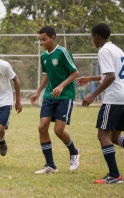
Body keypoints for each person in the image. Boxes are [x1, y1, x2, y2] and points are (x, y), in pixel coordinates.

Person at [77, 23, 124, 184]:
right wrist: (90, 78)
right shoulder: (117, 50)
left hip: (114, 98)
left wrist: (92, 96)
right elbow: (112, 74)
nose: (92, 40)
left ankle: (114, 175)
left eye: (92, 37)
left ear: (97, 36)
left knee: (103, 134)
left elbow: (111, 76)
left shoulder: (104, 50)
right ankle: (114, 175)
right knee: (114, 136)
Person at [30, 26, 80, 174]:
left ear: (53, 37)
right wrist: (38, 92)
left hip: (65, 95)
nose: (42, 43)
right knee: (42, 127)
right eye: (40, 40)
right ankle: (50, 165)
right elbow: (47, 75)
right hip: (49, 96)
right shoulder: (44, 56)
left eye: (44, 39)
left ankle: (74, 151)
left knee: (59, 130)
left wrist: (61, 86)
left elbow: (75, 72)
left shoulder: (63, 52)